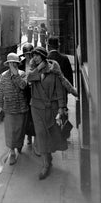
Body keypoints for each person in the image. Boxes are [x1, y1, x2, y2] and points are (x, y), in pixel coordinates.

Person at [26, 46, 69, 180]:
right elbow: (28, 79)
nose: (35, 57)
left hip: (51, 107)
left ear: (44, 56)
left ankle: (49, 157)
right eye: (33, 55)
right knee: (41, 135)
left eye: (38, 55)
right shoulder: (33, 70)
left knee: (50, 134)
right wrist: (38, 69)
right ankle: (45, 165)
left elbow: (60, 90)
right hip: (36, 108)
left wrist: (62, 107)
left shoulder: (53, 70)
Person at [0, 53, 29, 166]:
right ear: (7, 64)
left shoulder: (23, 74)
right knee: (10, 132)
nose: (12, 65)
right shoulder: (3, 76)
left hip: (21, 109)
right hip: (9, 109)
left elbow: (23, 86)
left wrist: (16, 75)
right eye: (10, 63)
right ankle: (12, 152)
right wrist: (0, 106)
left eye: (14, 63)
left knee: (20, 131)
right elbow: (0, 92)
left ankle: (19, 145)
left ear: (17, 64)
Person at [18, 42, 36, 150]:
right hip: (24, 94)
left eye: (30, 54)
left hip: (35, 94)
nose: (28, 56)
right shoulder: (20, 64)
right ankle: (28, 136)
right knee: (25, 117)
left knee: (34, 116)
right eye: (26, 54)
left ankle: (34, 138)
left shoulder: (38, 64)